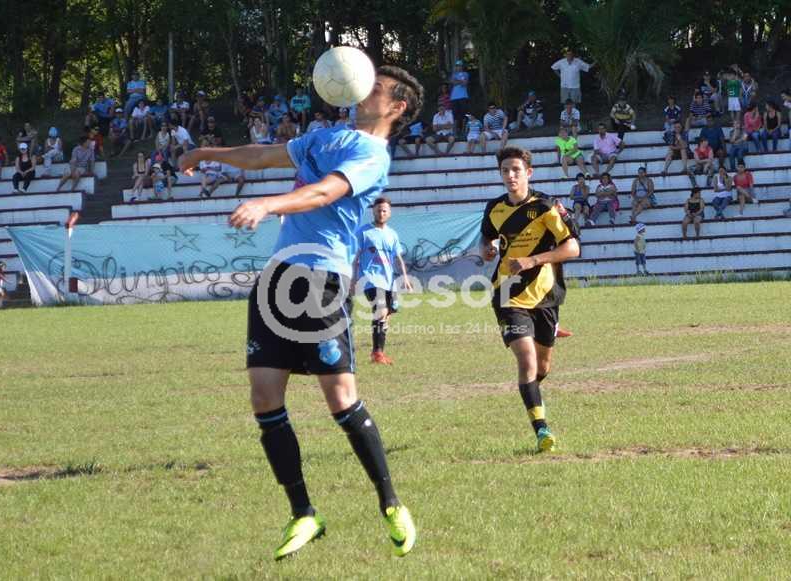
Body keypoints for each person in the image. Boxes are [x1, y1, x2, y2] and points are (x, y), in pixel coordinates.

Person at [177, 65, 423, 561]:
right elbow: (262, 154)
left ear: (396, 107)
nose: (363, 90)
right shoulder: (325, 136)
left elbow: (325, 191)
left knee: (341, 400)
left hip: (322, 279)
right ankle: (304, 513)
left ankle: (391, 503)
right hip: (277, 276)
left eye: (376, 88)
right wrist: (208, 154)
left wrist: (269, 205)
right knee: (264, 397)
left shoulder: (373, 155)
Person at [479, 146, 580, 453]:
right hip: (507, 295)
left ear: (529, 173)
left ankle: (531, 390)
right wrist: (486, 248)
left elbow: (572, 248)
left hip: (545, 296)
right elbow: (486, 236)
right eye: (505, 170)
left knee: (542, 367)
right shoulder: (494, 208)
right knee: (527, 360)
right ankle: (542, 430)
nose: (510, 175)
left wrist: (532, 260)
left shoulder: (546, 207)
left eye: (516, 170)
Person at [353, 197, 412, 364]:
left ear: (389, 213)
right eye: (378, 210)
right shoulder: (364, 232)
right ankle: (377, 353)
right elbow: (355, 257)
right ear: (373, 211)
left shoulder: (392, 234)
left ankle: (378, 353)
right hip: (370, 279)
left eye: (384, 210)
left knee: (387, 315)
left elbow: (398, 258)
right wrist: (352, 279)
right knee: (381, 310)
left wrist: (405, 278)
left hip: (388, 281)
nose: (381, 213)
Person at [449, 59, 469, 134]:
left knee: (464, 114)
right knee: (455, 115)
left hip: (463, 96)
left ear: (462, 66)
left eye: (460, 65)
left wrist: (457, 81)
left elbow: (465, 83)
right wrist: (460, 81)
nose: (458, 67)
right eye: (457, 66)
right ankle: (455, 131)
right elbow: (452, 82)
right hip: (454, 97)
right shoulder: (453, 74)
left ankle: (463, 131)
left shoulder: (465, 74)